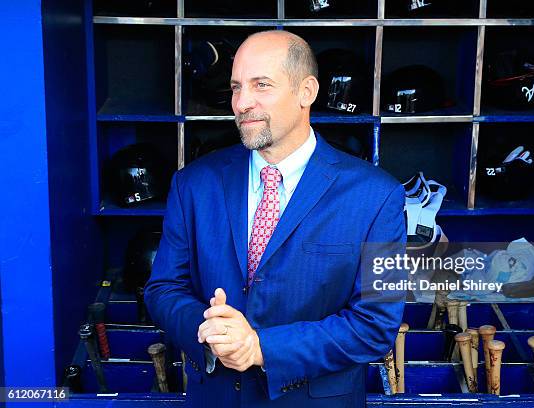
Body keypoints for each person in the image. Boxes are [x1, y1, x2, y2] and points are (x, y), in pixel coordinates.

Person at [144, 30, 406, 407]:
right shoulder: (194, 184)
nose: (242, 102)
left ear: (307, 91)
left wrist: (259, 347)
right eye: (236, 87)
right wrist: (210, 330)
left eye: (261, 85)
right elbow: (163, 288)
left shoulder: (377, 196)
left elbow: (375, 324)